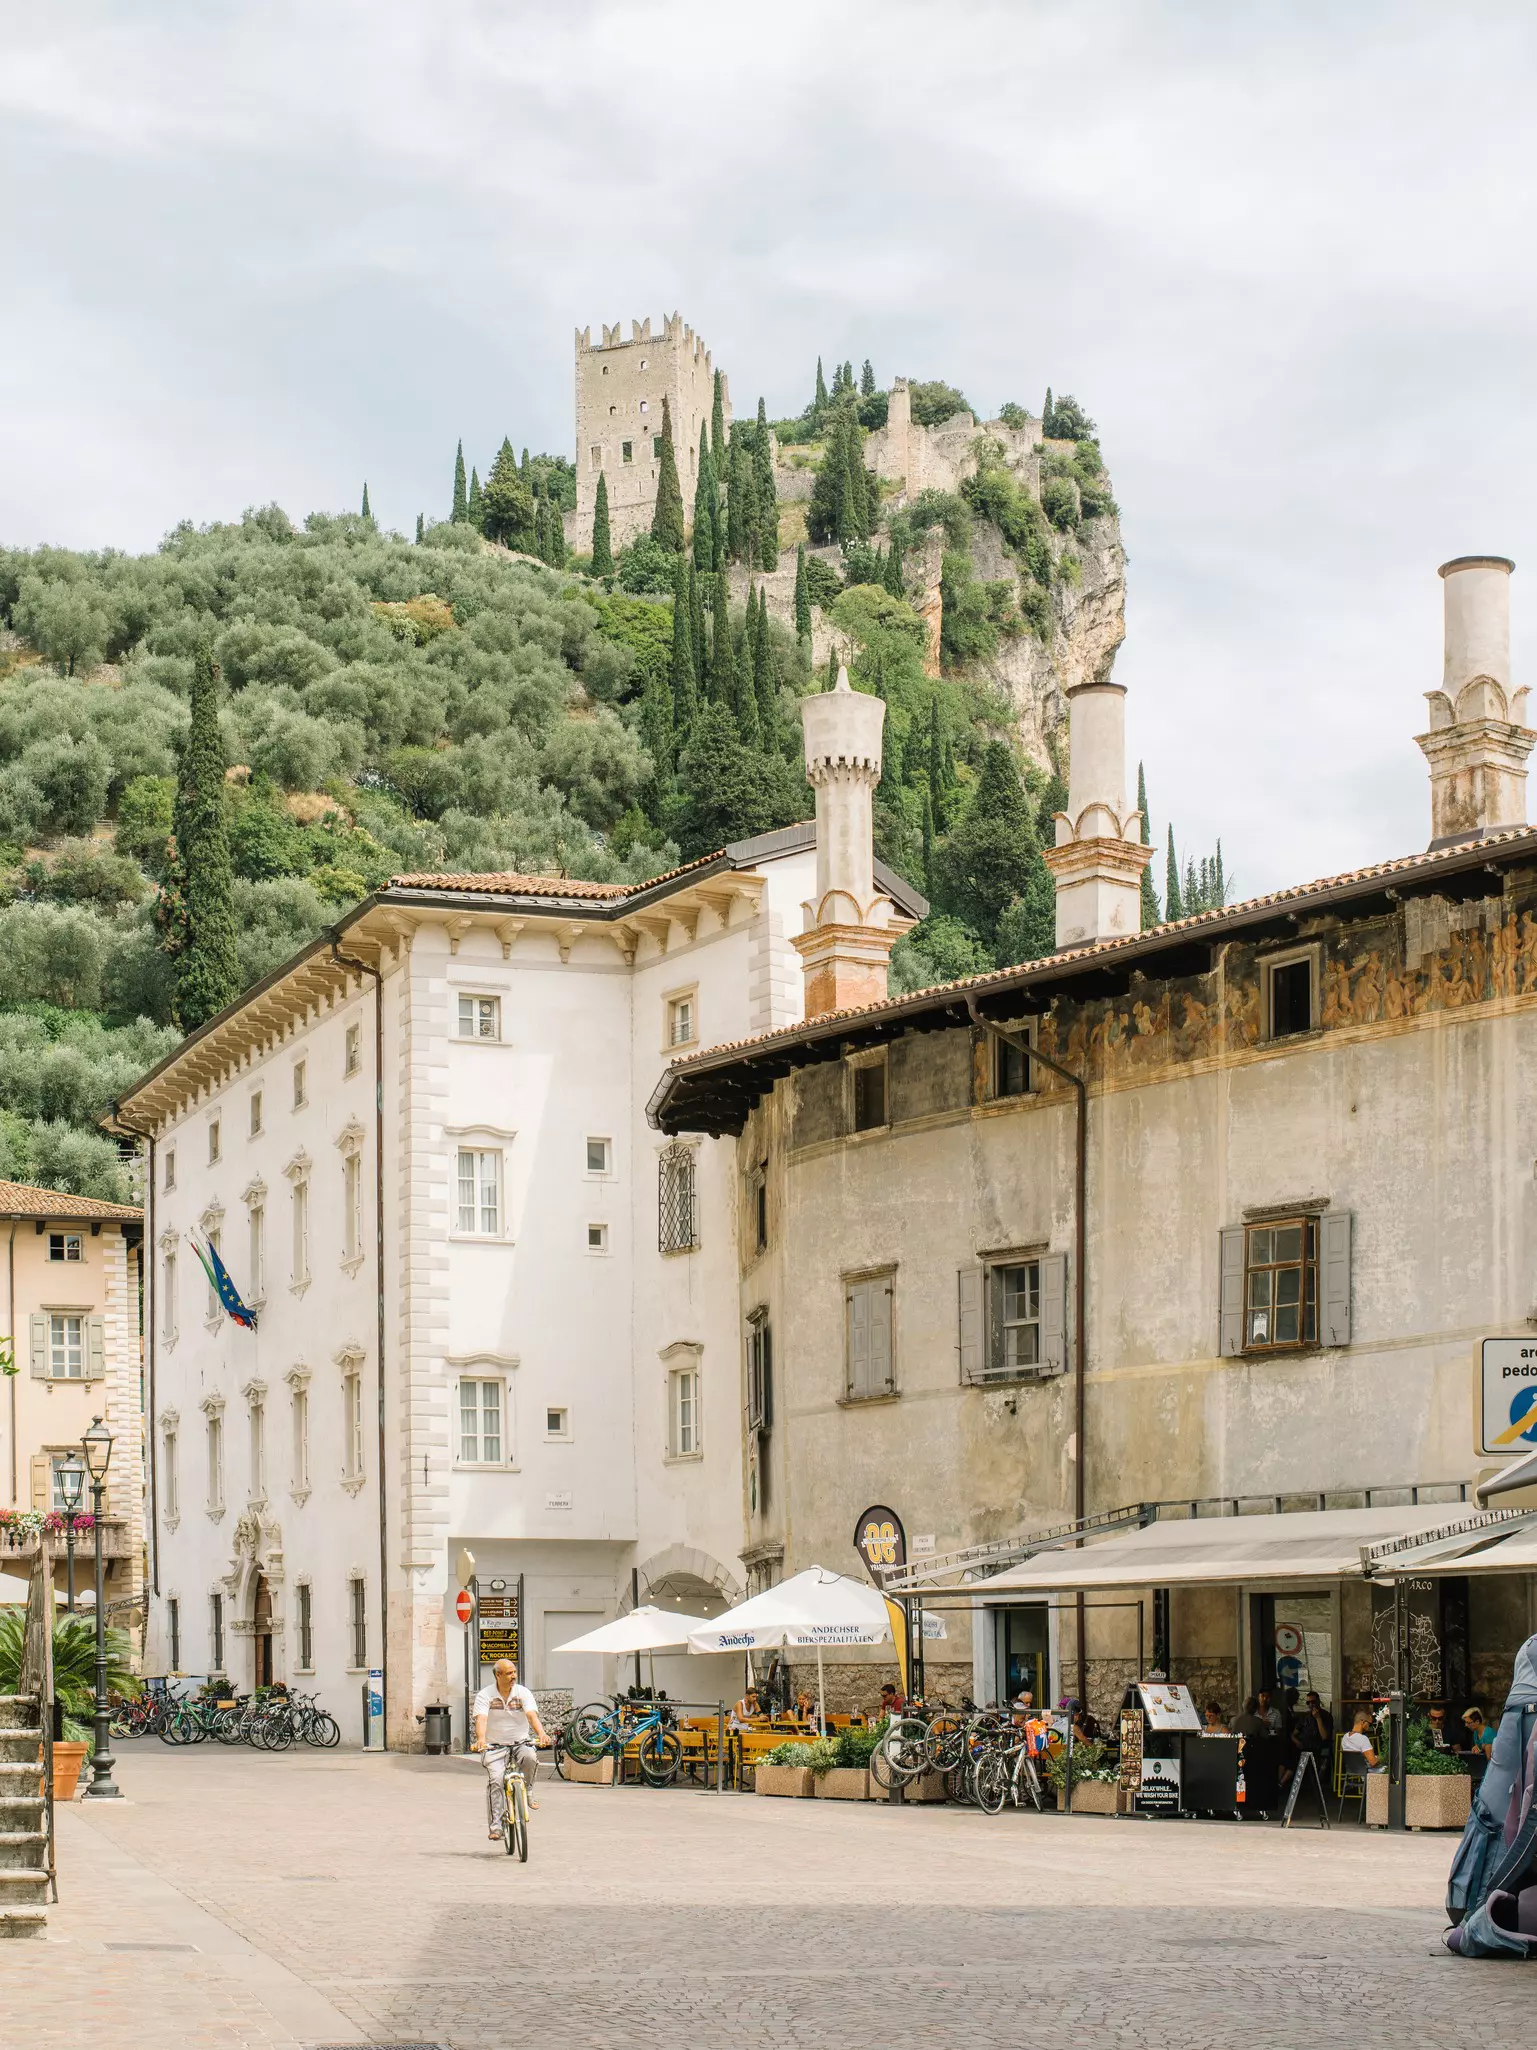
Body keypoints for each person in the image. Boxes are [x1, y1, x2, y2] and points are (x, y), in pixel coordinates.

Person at [471, 1657, 549, 1841]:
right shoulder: (486, 1695)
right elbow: (481, 1719)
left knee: (530, 1758)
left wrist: (542, 1734)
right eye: (509, 1673)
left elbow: (531, 1715)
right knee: (496, 1780)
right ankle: (496, 1826)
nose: (514, 1676)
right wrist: (481, 1739)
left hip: (521, 1742)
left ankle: (528, 1791)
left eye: (514, 1672)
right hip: (495, 1746)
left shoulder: (523, 1692)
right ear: (498, 1675)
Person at [1294, 1691, 1335, 1759]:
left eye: (1313, 1702)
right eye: (1308, 1703)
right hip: (1305, 1749)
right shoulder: (1305, 1716)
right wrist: (1297, 1741)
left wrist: (1318, 1718)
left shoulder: (1326, 1715)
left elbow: (1325, 1737)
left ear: (1318, 1701)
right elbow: (1294, 1733)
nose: (1311, 1704)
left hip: (1319, 1750)